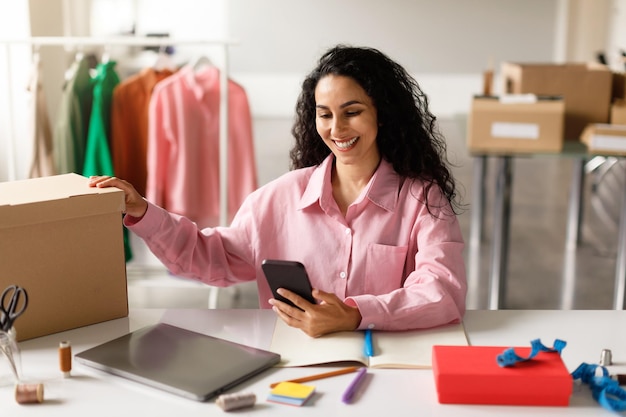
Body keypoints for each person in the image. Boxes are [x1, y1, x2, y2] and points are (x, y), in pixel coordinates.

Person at [90, 44, 467, 338]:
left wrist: (354, 314)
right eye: (325, 113)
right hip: (290, 363)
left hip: (382, 362)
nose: (336, 129)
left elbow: (442, 291)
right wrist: (142, 211)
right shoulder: (278, 198)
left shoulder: (421, 198)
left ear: (381, 115)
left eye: (352, 112)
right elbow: (209, 257)